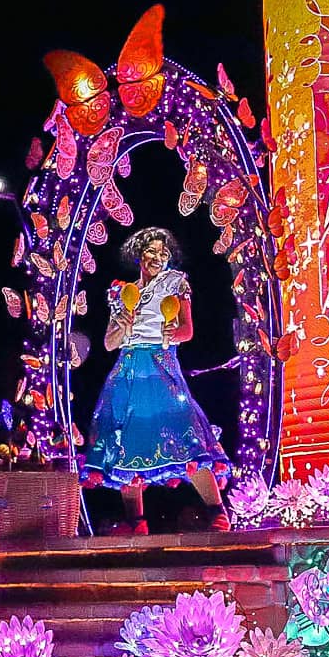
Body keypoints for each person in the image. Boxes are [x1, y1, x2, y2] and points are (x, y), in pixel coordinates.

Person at [83, 226, 229, 533]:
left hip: (160, 364)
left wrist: (170, 334)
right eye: (152, 251)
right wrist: (123, 325)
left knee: (184, 433)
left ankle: (218, 511)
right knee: (123, 439)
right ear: (139, 253)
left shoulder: (176, 283)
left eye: (164, 253)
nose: (158, 258)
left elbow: (187, 331)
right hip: (126, 369)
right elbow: (109, 344)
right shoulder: (119, 292)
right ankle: (136, 521)